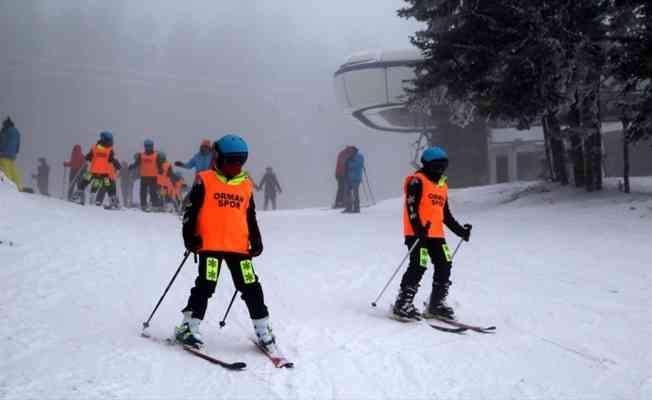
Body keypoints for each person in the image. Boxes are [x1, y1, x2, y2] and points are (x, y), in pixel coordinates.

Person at [176, 134, 279, 353]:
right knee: (206, 285)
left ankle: (263, 329)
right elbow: (190, 212)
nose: (233, 165)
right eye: (230, 160)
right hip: (210, 246)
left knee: (251, 286)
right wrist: (189, 236)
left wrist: (256, 239)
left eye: (237, 161)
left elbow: (249, 216)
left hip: (238, 249)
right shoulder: (205, 180)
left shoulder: (245, 185)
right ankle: (188, 327)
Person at [392, 146, 472, 321]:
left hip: (436, 234)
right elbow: (411, 206)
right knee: (419, 265)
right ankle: (403, 303)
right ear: (427, 164)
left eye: (444, 165)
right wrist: (418, 227)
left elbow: (445, 214)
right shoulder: (417, 181)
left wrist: (460, 231)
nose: (440, 169)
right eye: (437, 165)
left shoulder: (442, 185)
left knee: (445, 263)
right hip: (417, 234)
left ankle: (436, 304)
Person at [71, 131, 121, 208]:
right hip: (103, 173)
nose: (110, 142)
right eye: (109, 140)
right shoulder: (108, 150)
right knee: (108, 186)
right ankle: (113, 201)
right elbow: (112, 160)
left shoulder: (95, 148)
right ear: (105, 140)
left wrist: (87, 158)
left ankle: (78, 195)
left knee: (85, 182)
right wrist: (117, 165)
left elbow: (90, 157)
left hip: (94, 172)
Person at [129, 139, 163, 211]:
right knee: (143, 191)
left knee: (153, 191)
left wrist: (161, 170)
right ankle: (143, 205)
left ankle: (155, 205)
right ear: (145, 147)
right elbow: (137, 163)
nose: (148, 148)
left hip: (153, 177)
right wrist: (132, 166)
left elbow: (159, 164)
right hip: (144, 176)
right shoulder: (141, 155)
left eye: (149, 146)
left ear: (152, 147)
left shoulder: (156, 155)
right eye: (147, 146)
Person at [0, 117, 23, 191]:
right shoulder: (16, 132)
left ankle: (8, 187)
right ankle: (18, 186)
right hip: (12, 156)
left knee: (5, 171)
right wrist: (15, 152)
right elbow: (18, 145)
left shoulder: (5, 131)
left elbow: (2, 142)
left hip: (3, 154)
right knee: (13, 171)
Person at [342, 146, 364, 213]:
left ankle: (356, 208)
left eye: (351, 151)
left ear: (354, 151)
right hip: (349, 177)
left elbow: (356, 165)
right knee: (347, 193)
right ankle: (349, 207)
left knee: (355, 193)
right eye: (349, 151)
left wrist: (348, 162)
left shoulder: (359, 156)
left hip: (355, 178)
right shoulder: (350, 157)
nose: (350, 153)